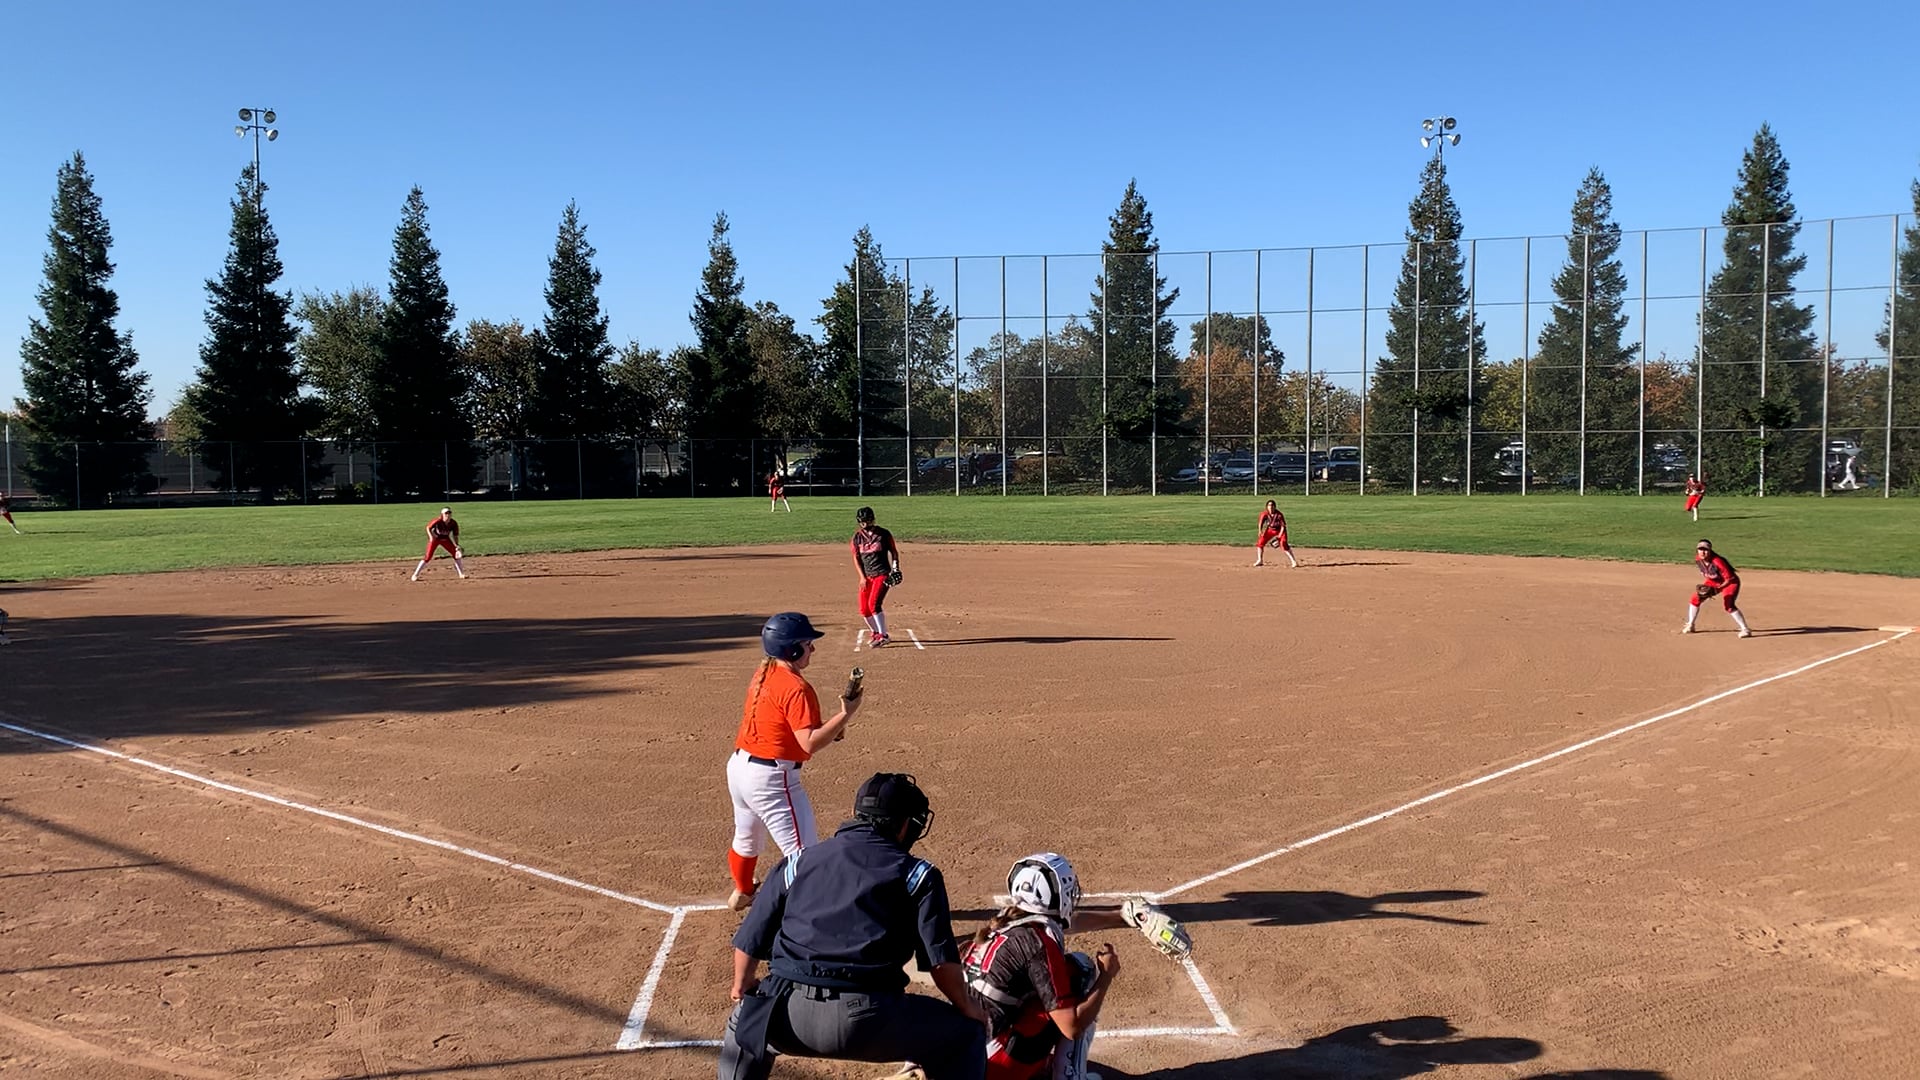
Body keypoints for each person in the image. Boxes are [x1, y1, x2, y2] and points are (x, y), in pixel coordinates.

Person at [718, 773, 990, 1080]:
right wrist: (968, 1007)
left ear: (856, 814)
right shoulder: (918, 875)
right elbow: (941, 966)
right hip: (869, 1021)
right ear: (904, 826)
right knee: (964, 1035)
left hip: (788, 1015)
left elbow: (749, 942)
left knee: (744, 1025)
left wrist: (741, 984)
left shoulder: (798, 862)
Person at [726, 612, 859, 911]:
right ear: (793, 650)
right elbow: (808, 742)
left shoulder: (763, 673)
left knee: (746, 838)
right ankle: (810, 918)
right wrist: (846, 714)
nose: (812, 649)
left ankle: (743, 891)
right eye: (807, 644)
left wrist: (834, 727)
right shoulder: (797, 688)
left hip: (739, 770)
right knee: (803, 854)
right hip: (772, 780)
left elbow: (786, 725)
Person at [963, 853, 1128, 1080]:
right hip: (992, 1066)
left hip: (963, 1054)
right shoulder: (1038, 943)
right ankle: (1070, 1075)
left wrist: (1121, 916)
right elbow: (1072, 1026)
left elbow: (1067, 922)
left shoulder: (1006, 920)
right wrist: (1106, 976)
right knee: (1081, 971)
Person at [852, 507, 902, 648]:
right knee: (864, 609)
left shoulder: (883, 534)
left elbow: (894, 552)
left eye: (867, 521)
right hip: (867, 577)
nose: (865, 524)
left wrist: (895, 568)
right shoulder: (857, 537)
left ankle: (883, 636)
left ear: (872, 520)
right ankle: (875, 632)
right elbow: (856, 558)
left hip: (882, 574)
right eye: (862, 521)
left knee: (874, 605)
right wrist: (862, 577)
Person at [1683, 539, 1752, 638]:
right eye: (1700, 549)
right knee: (1695, 599)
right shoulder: (1698, 559)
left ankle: (1745, 629)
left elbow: (1729, 579)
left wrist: (1717, 588)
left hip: (1730, 582)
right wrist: (1710, 586)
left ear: (1710, 550)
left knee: (1729, 605)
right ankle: (1691, 625)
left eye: (1705, 550)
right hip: (1714, 581)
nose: (1703, 552)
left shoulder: (1718, 562)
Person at [411, 507, 466, 581]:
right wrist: (431, 537)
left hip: (445, 539)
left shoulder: (453, 523)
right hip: (435, 539)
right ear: (442, 514)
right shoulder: (438, 521)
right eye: (446, 513)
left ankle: (461, 574)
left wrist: (456, 545)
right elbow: (428, 528)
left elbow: (455, 535)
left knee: (456, 554)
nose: (448, 515)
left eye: (449, 513)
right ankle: (415, 575)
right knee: (428, 557)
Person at [1253, 499, 1297, 568]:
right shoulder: (1264, 514)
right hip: (1270, 529)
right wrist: (1260, 531)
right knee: (1260, 542)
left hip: (1280, 530)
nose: (1271, 507)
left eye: (1272, 505)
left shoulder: (1279, 515)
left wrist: (1279, 536)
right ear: (1266, 507)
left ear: (1275, 507)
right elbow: (1260, 523)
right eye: (1269, 505)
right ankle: (1260, 560)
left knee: (1283, 543)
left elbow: (1283, 526)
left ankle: (1293, 561)